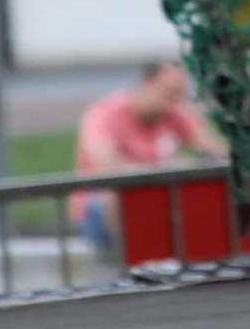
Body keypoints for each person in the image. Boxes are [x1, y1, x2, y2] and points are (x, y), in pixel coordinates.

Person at [71, 61, 225, 248]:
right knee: (113, 194)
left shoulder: (175, 112)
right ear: (147, 83)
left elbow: (213, 148)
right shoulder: (105, 112)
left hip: (157, 202)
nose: (173, 104)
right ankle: (123, 254)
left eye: (179, 96)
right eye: (168, 93)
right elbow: (107, 164)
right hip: (103, 207)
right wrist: (167, 169)